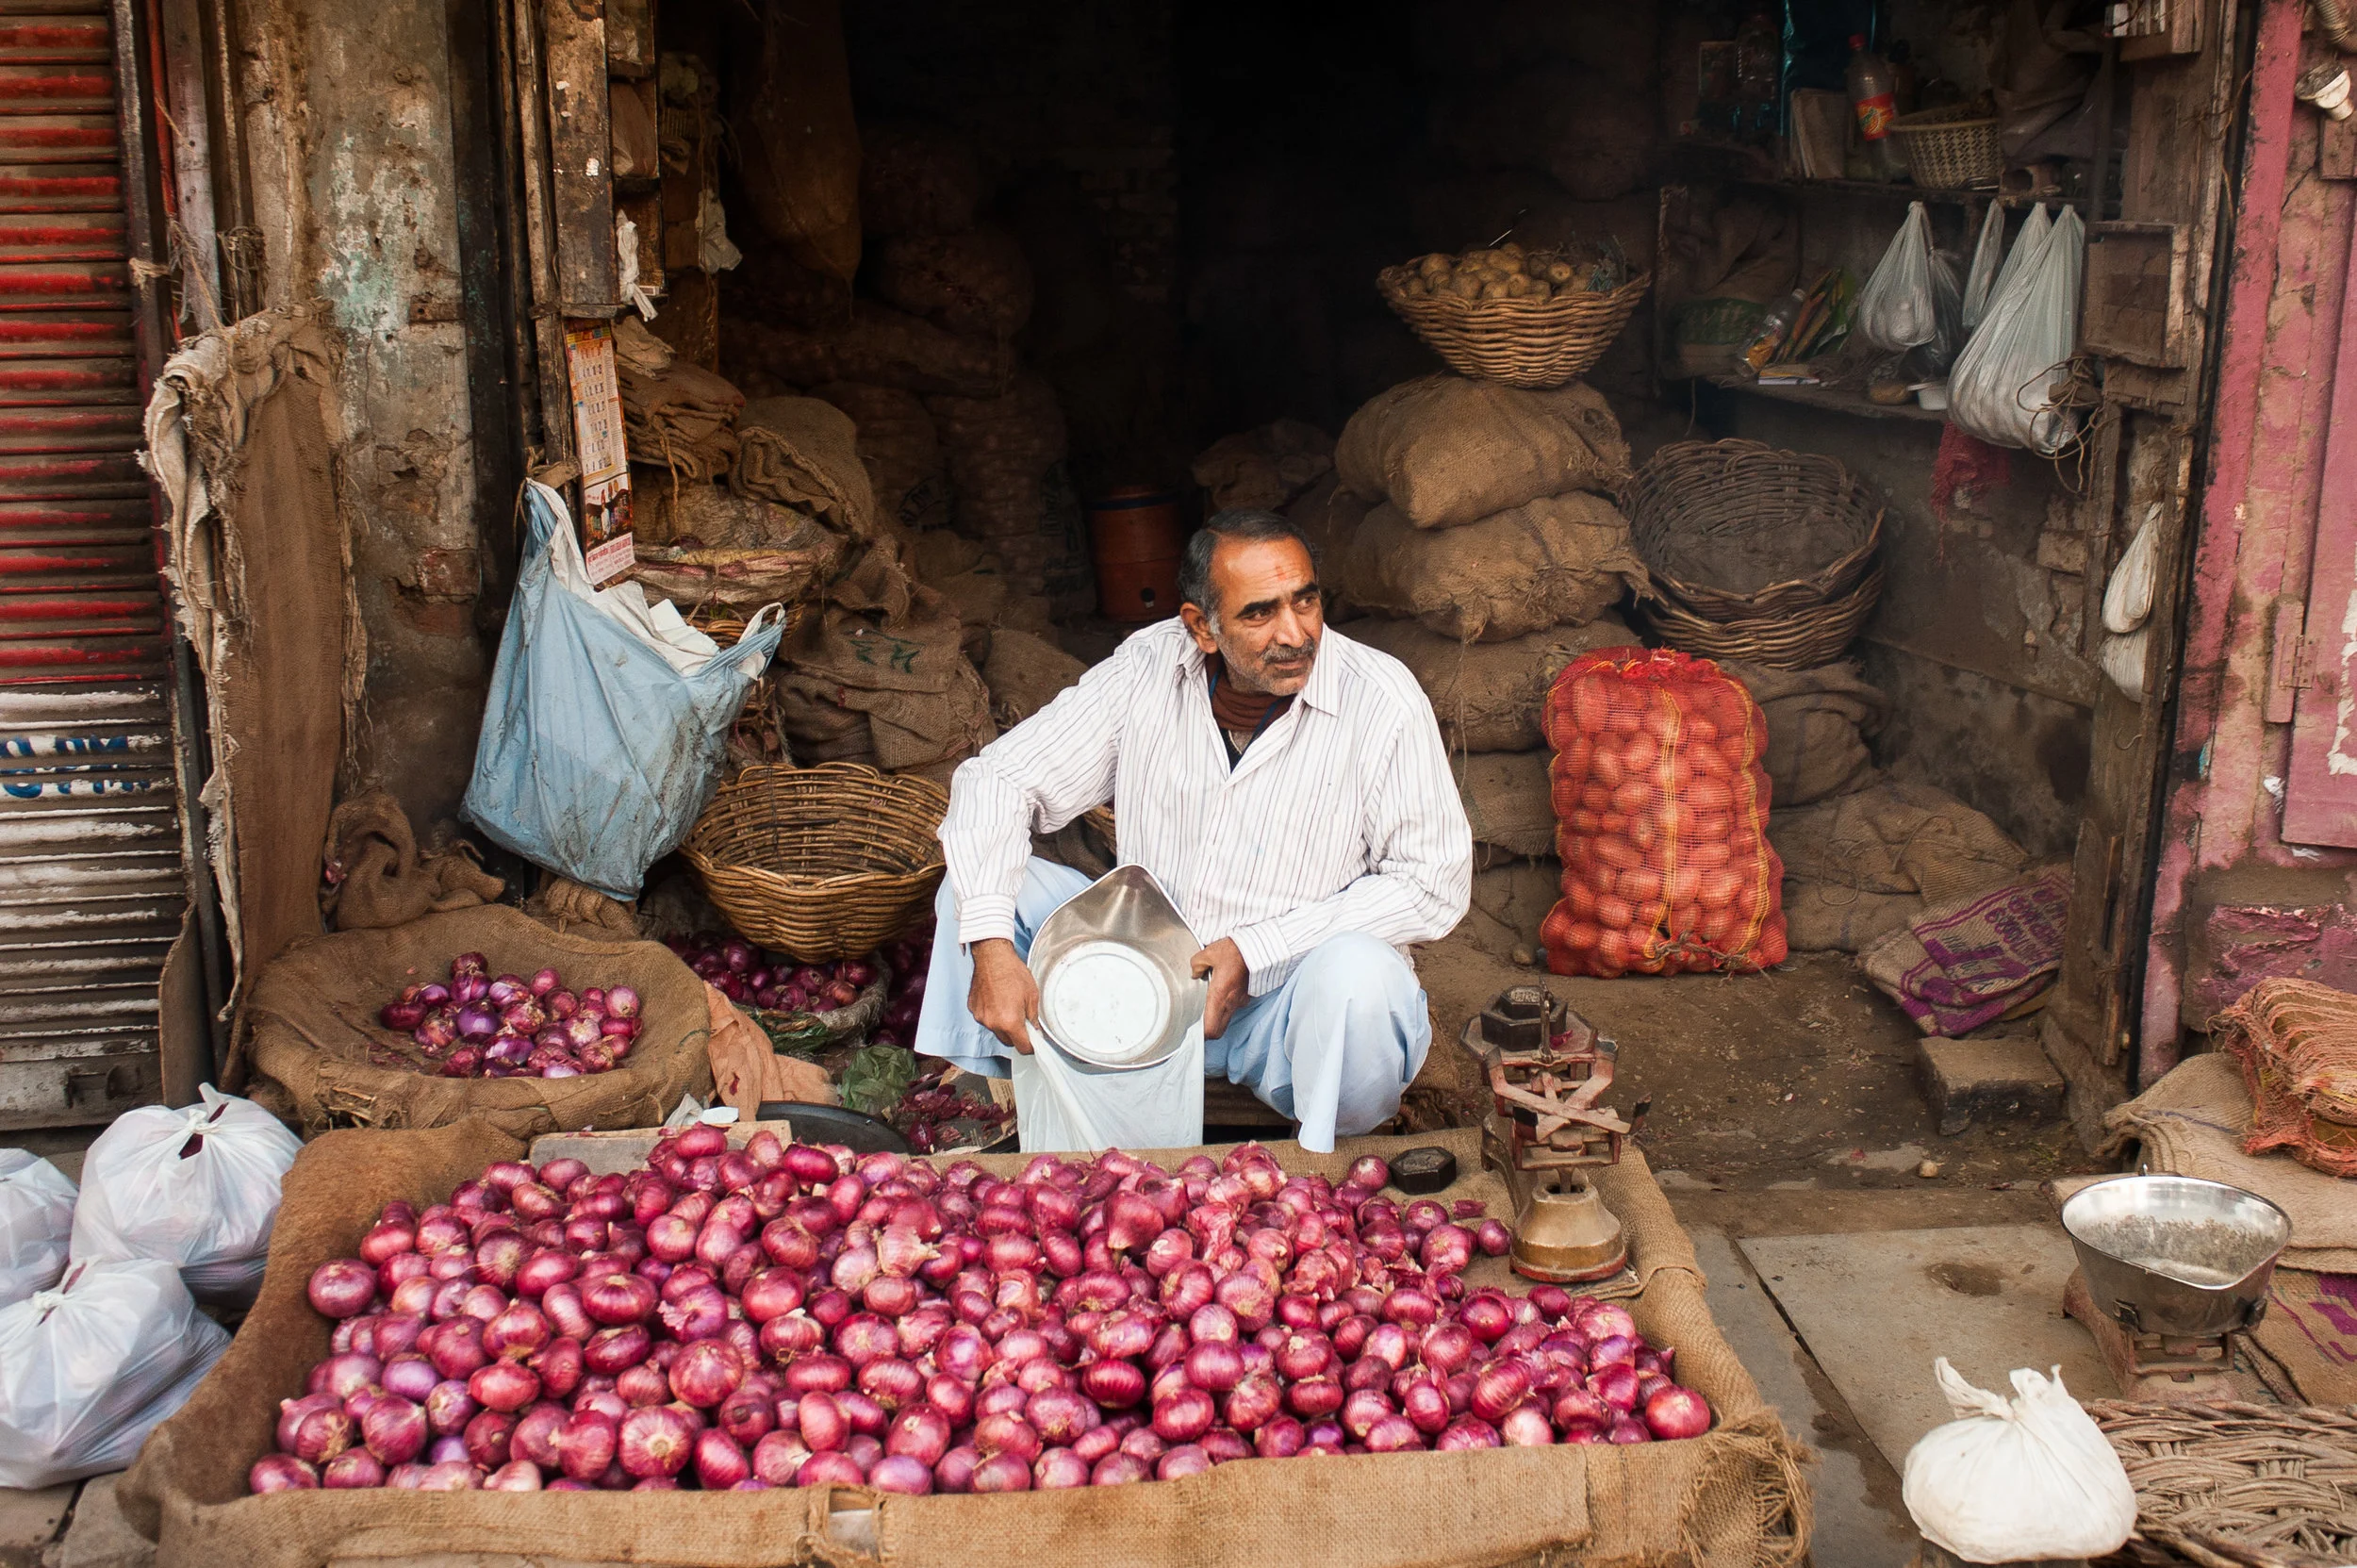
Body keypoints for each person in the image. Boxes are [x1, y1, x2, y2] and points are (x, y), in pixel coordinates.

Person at [913, 507, 1473, 1151]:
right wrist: (989, 947)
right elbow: (998, 781)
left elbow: (1433, 882)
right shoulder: (1147, 669)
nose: (1295, 633)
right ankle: (1016, 1106)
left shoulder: (1382, 698)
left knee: (1364, 979)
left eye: (1306, 601)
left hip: (1286, 1007)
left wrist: (1257, 947)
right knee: (975, 890)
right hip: (1140, 984)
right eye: (1259, 613)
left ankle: (1327, 1164)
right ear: (1201, 627)